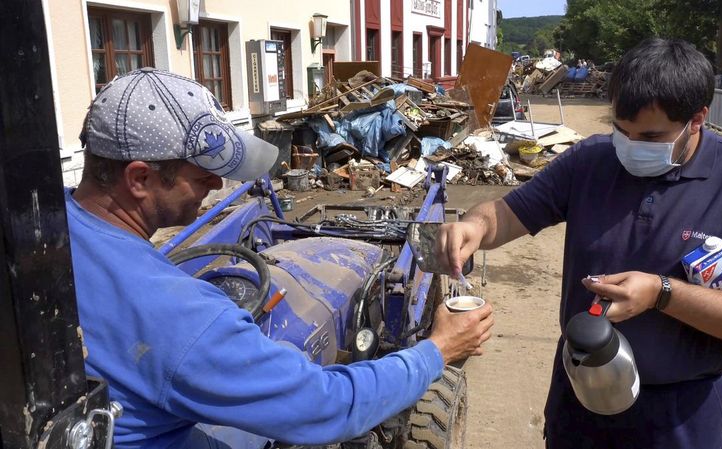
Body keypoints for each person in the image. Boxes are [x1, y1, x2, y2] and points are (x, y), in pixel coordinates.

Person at [69, 68, 494, 449]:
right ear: (139, 178)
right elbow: (327, 407)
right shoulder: (179, 317)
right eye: (201, 174)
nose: (216, 182)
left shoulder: (51, 236)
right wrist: (437, 350)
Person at [436, 38, 722, 448]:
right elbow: (506, 215)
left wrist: (662, 294)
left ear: (698, 118)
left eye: (649, 135)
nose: (629, 146)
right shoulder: (592, 160)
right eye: (620, 130)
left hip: (680, 416)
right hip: (580, 400)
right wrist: (474, 226)